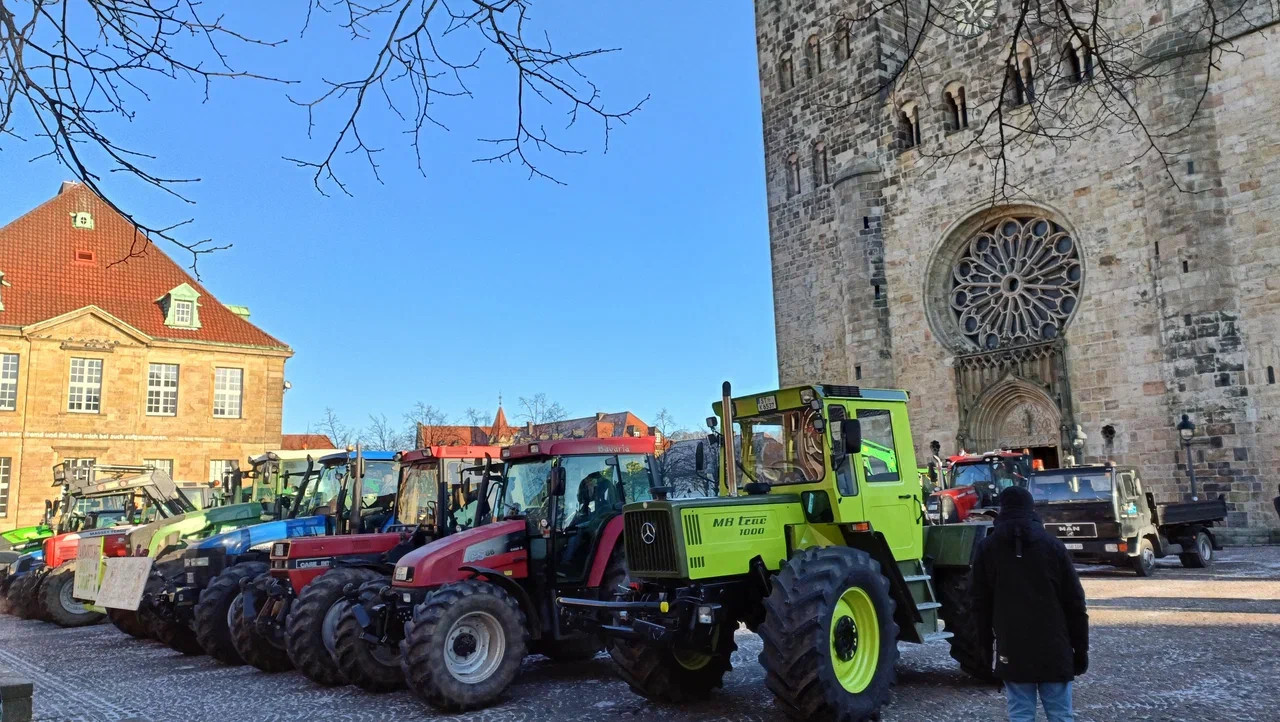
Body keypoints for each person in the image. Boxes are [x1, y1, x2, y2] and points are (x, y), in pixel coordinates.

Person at [971, 486, 1089, 722]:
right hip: (1055, 646)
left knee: (1021, 714)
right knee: (1060, 715)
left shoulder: (987, 548)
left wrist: (983, 650)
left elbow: (979, 606)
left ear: (1002, 510)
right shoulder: (1053, 546)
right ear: (1031, 508)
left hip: (1012, 647)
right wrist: (1080, 649)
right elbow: (1075, 603)